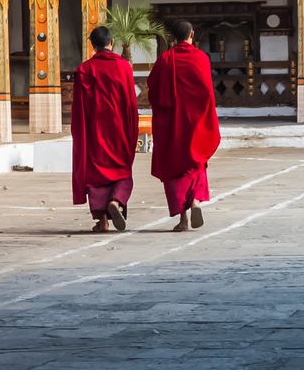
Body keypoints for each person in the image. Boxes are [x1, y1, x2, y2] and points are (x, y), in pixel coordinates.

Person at [148, 20, 221, 232]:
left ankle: (183, 219)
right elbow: (207, 92)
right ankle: (196, 201)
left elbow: (153, 90)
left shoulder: (164, 60)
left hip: (172, 124)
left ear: (172, 37)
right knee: (195, 162)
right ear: (192, 34)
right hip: (195, 122)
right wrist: (205, 117)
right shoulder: (201, 58)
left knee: (175, 168)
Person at [71, 25, 140, 233]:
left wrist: (80, 133)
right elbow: (130, 102)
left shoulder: (84, 70)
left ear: (92, 46)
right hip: (119, 129)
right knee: (121, 169)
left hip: (94, 130)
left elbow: (79, 108)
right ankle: (117, 201)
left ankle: (102, 221)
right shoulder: (123, 67)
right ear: (111, 43)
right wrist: (132, 130)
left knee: (96, 175)